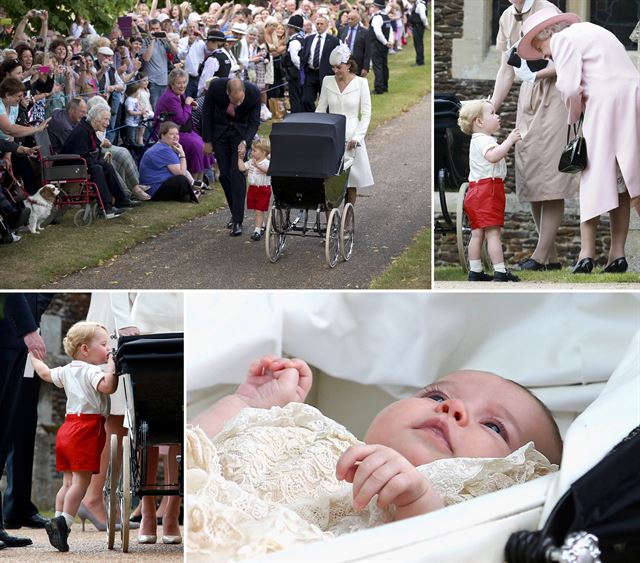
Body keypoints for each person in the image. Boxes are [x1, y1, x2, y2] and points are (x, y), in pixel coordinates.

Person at [188, 356, 561, 555]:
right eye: (436, 397)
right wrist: (246, 404)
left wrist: (417, 500)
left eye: (494, 427)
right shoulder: (316, 434)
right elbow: (195, 456)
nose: (455, 408)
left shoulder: (443, 506)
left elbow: (439, 548)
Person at [519, 9, 640, 274]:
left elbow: (570, 87)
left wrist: (574, 117)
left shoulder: (563, 40)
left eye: (539, 47)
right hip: (632, 98)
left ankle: (586, 255)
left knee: (593, 175)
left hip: (604, 105)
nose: (543, 55)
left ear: (547, 34)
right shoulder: (595, 31)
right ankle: (617, 256)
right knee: (623, 179)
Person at [491, 0, 579, 272]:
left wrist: (535, 74)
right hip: (528, 98)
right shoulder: (507, 17)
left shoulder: (548, 11)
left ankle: (539, 256)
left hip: (554, 93)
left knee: (551, 175)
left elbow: (567, 58)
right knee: (532, 176)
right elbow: (507, 69)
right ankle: (550, 258)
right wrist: (489, 107)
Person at [30, 321, 118, 552]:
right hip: (87, 429)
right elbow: (108, 387)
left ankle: (57, 519)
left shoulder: (67, 370)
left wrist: (32, 355)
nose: (108, 348)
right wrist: (113, 365)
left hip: (67, 428)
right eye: (103, 344)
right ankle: (64, 522)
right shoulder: (93, 371)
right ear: (85, 349)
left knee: (67, 482)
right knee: (82, 482)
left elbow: (44, 373)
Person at [0, 293, 53, 550]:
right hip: (10, 335)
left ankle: (12, 512)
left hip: (20, 340)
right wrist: (27, 325)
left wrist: (31, 316)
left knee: (17, 425)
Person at [457, 99, 521, 282]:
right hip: (488, 190)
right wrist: (509, 141)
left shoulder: (477, 140)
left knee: (477, 233)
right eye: (492, 113)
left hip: (475, 191)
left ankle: (475, 271)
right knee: (493, 232)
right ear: (479, 122)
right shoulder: (485, 140)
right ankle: (500, 271)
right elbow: (492, 156)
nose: (497, 115)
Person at [202, 77, 261, 236]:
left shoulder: (254, 93)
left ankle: (237, 220)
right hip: (220, 133)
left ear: (243, 91)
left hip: (240, 135)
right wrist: (207, 140)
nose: (238, 104)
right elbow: (206, 112)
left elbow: (255, 122)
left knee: (237, 173)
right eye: (235, 101)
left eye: (240, 100)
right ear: (227, 93)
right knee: (225, 176)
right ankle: (234, 212)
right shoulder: (215, 87)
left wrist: (245, 141)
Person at [316, 45, 374, 205]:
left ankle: (347, 220)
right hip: (331, 134)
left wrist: (358, 137)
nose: (336, 71)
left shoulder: (361, 83)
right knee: (329, 177)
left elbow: (366, 113)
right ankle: (331, 216)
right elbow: (321, 109)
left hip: (351, 135)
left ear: (348, 65)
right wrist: (317, 131)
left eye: (339, 67)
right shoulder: (327, 81)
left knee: (350, 180)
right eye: (333, 67)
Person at [61, 104, 132, 219]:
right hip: (69, 166)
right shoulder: (82, 131)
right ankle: (106, 208)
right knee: (97, 168)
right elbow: (81, 154)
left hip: (79, 163)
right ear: (95, 118)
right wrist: (96, 161)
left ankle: (121, 200)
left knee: (106, 166)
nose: (108, 123)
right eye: (105, 119)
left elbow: (92, 152)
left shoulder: (88, 129)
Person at [154, 68, 209, 185]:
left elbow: (182, 111)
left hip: (181, 129)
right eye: (179, 83)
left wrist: (190, 104)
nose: (182, 85)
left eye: (184, 82)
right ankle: (192, 183)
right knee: (195, 145)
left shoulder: (179, 94)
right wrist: (188, 105)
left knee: (203, 143)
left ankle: (199, 181)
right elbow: (182, 119)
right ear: (172, 84)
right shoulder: (170, 97)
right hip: (168, 133)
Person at [0, 77, 50, 196]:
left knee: (22, 166)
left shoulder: (14, 106)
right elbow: (8, 129)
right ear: (7, 95)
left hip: (5, 145)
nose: (21, 99)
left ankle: (30, 201)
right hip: (2, 144)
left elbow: (11, 134)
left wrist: (8, 155)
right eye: (18, 96)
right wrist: (36, 129)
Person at [139, 120, 200, 202]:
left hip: (156, 186)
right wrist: (182, 153)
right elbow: (181, 173)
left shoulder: (163, 147)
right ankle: (189, 194)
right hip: (154, 190)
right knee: (181, 180)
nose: (176, 137)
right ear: (162, 135)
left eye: (177, 134)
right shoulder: (163, 150)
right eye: (171, 134)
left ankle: (185, 195)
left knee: (182, 179)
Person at [299, 14, 340, 111]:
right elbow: (304, 55)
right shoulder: (309, 39)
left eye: (322, 24)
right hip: (310, 73)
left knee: (327, 101)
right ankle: (313, 116)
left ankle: (325, 121)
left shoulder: (333, 41)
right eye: (317, 24)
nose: (319, 26)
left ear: (326, 25)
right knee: (306, 100)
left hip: (326, 74)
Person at [237, 137, 271, 241]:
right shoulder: (252, 161)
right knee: (257, 210)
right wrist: (240, 159)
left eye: (254, 150)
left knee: (259, 211)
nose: (252, 152)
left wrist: (258, 166)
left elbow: (269, 171)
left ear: (263, 152)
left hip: (263, 190)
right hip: (252, 189)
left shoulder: (266, 162)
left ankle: (257, 231)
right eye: (252, 150)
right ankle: (262, 224)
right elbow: (242, 168)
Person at [369, 0, 393, 95]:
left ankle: (379, 88)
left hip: (377, 44)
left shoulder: (377, 17)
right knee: (384, 65)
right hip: (385, 45)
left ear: (376, 7)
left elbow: (378, 33)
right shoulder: (386, 16)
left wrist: (385, 42)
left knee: (378, 66)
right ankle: (385, 86)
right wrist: (389, 41)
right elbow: (390, 30)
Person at [283, 15, 305, 113]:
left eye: (289, 27)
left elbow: (295, 59)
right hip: (300, 72)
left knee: (295, 96)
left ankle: (296, 115)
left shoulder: (294, 41)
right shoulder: (302, 38)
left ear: (293, 28)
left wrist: (300, 69)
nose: (288, 29)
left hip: (295, 73)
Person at [339, 11, 371, 78]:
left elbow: (367, 51)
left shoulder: (364, 32)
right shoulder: (343, 29)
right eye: (349, 19)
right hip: (344, 62)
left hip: (358, 63)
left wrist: (365, 68)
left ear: (358, 20)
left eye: (352, 19)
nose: (350, 21)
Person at [408, 0, 428, 66]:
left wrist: (426, 25)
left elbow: (423, 17)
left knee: (418, 44)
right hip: (416, 26)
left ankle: (420, 61)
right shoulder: (417, 4)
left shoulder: (420, 4)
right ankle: (419, 60)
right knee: (417, 44)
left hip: (418, 26)